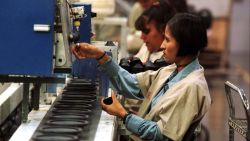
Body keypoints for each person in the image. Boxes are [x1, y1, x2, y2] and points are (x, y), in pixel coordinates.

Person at [71, 13, 211, 141]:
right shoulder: (172, 70)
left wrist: (123, 114)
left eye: (167, 40)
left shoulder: (192, 87)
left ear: (184, 45)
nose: (162, 45)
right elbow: (132, 84)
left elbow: (161, 135)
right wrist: (100, 56)